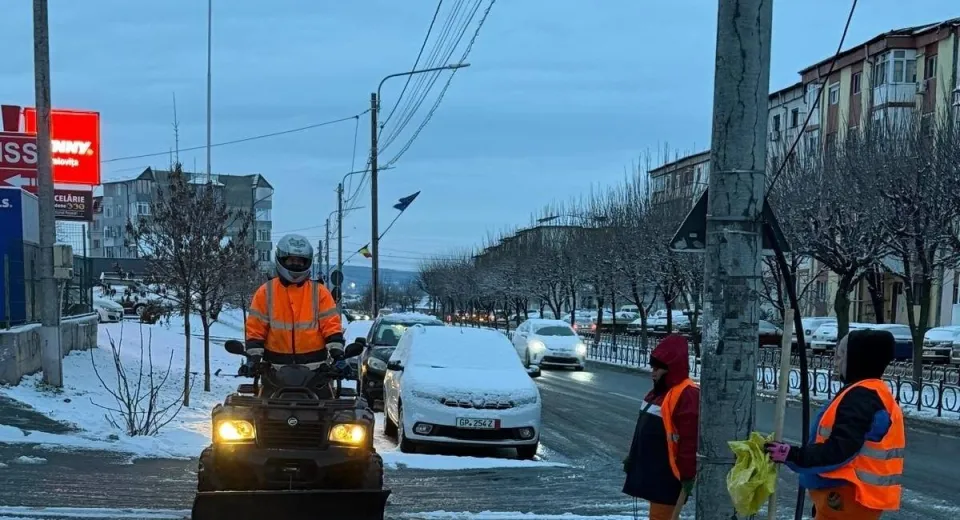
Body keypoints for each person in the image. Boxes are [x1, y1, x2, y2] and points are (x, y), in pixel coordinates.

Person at [765, 329, 904, 520]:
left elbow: (840, 450)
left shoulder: (862, 397)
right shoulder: (870, 392)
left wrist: (792, 455)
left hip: (848, 499)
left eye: (841, 356)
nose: (836, 362)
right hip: (848, 500)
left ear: (859, 359)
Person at [622, 334, 699, 520]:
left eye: (658, 368)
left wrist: (688, 474)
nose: (653, 372)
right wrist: (633, 458)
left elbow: (690, 439)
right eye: (652, 367)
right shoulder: (656, 393)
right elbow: (643, 431)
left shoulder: (686, 394)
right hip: (654, 472)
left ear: (670, 369)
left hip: (667, 475)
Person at [245, 234, 345, 374]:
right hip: (274, 371)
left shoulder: (320, 292)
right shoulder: (266, 292)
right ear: (281, 259)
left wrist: (338, 355)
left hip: (316, 371)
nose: (296, 264)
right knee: (253, 395)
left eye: (300, 261)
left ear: (307, 262)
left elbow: (331, 326)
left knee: (333, 395)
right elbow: (255, 329)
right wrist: (253, 359)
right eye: (292, 260)